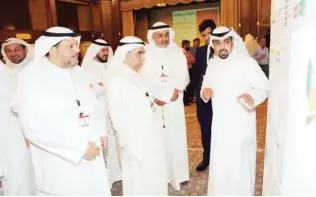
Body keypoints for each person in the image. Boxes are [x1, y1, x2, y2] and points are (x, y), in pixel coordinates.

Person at [15, 27, 111, 196]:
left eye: (76, 45)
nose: (77, 51)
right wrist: (79, 148)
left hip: (91, 154)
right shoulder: (31, 77)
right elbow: (33, 127)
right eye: (70, 46)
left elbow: (92, 107)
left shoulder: (79, 73)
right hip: (60, 163)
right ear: (52, 49)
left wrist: (101, 132)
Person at [201, 26, 268, 195]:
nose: (222, 46)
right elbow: (205, 87)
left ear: (232, 42)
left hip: (241, 124)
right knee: (221, 164)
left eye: (226, 42)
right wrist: (205, 93)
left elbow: (264, 86)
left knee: (240, 164)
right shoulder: (212, 64)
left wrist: (252, 97)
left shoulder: (246, 62)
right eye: (217, 43)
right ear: (213, 45)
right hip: (220, 126)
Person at [105, 36, 168, 195]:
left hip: (148, 136)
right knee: (138, 179)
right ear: (126, 54)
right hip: (134, 141)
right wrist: (127, 144)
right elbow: (115, 114)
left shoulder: (133, 75)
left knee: (150, 176)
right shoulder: (116, 78)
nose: (142, 59)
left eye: (143, 54)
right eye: (139, 54)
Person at [139, 22, 190, 190]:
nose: (164, 39)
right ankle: (160, 174)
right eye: (160, 35)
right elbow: (143, 78)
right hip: (153, 103)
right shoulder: (145, 55)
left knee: (175, 137)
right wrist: (157, 96)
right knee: (157, 139)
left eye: (166, 35)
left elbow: (184, 77)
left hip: (174, 103)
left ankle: (178, 174)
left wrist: (173, 93)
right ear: (152, 37)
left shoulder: (177, 53)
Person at [81, 39, 122, 186]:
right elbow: (89, 91)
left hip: (114, 107)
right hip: (97, 110)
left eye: (107, 50)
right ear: (94, 51)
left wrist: (102, 85)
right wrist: (104, 85)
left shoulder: (112, 67)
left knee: (116, 139)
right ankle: (107, 176)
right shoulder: (86, 69)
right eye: (102, 50)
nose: (105, 53)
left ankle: (118, 173)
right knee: (103, 141)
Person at [0, 38, 36, 195]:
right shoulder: (4, 73)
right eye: (9, 51)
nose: (13, 54)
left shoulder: (35, 70)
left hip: (32, 129)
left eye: (17, 49)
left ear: (25, 50)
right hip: (9, 134)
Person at [192, 19, 217, 172]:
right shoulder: (201, 51)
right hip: (203, 99)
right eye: (204, 35)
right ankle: (207, 158)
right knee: (205, 129)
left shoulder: (225, 50)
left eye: (210, 33)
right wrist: (196, 93)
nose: (208, 38)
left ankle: (221, 159)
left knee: (221, 129)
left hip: (221, 99)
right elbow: (196, 75)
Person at [182, 39, 195, 105]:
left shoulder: (188, 51)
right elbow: (186, 61)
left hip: (190, 70)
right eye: (187, 44)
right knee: (186, 86)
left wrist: (190, 59)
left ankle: (189, 99)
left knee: (190, 86)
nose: (189, 46)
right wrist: (190, 60)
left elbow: (193, 59)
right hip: (185, 70)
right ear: (184, 45)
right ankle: (185, 101)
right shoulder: (182, 52)